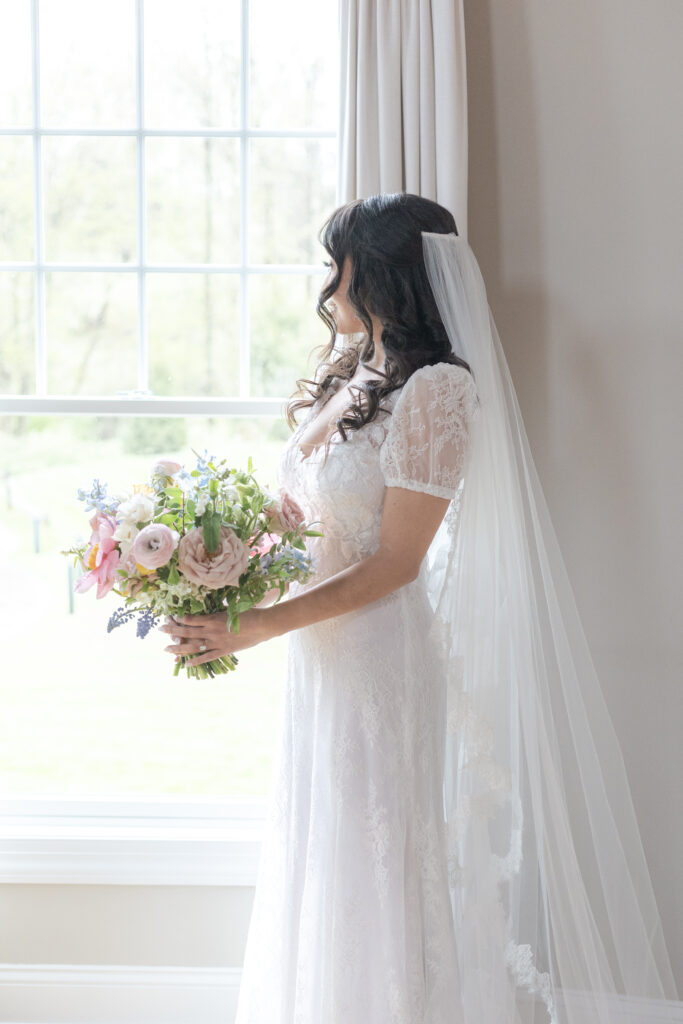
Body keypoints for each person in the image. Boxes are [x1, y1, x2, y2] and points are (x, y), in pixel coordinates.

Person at [161, 194, 677, 1023]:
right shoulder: (355, 373)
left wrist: (252, 627)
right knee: (324, 846)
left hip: (375, 654)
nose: (330, 281)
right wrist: (192, 556)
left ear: (385, 273)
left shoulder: (437, 390)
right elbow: (298, 517)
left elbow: (394, 562)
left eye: (343, 262)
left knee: (376, 858)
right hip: (317, 654)